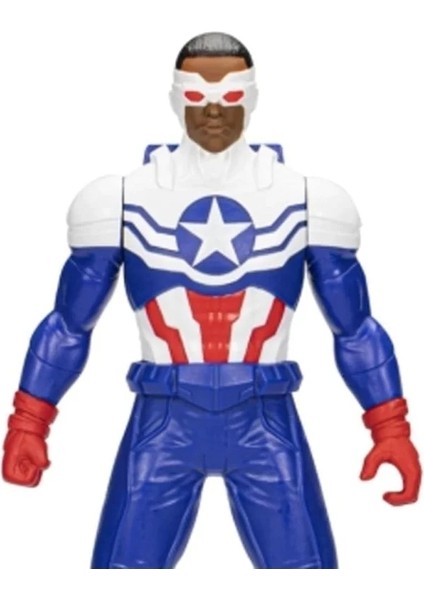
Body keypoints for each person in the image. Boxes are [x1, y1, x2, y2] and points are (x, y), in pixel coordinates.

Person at [2, 32, 421, 569]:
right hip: (164, 420)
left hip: (265, 419)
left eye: (230, 96)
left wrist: (391, 428)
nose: (215, 111)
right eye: (198, 97)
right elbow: (69, 324)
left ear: (252, 96)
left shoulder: (307, 199)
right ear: (176, 98)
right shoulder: (122, 198)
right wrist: (28, 423)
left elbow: (355, 328)